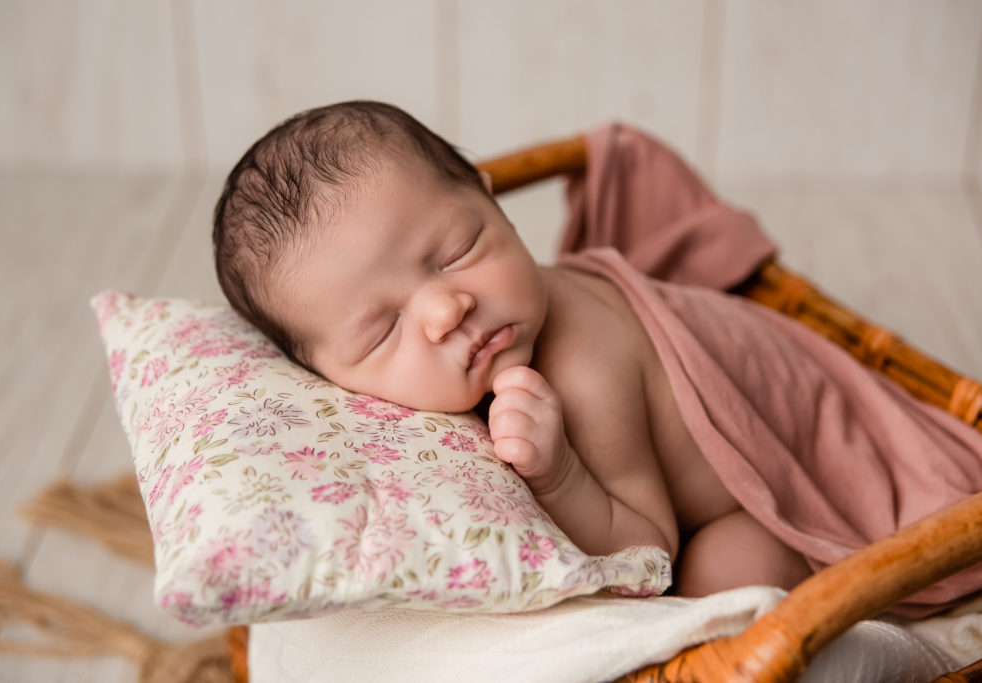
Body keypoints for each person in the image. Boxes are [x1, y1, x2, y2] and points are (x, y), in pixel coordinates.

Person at [212, 100, 813, 598]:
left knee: (725, 575)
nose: (447, 311)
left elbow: (652, 553)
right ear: (324, 375)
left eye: (456, 252)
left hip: (773, 478)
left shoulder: (583, 370)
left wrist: (562, 477)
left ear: (492, 202)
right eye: (383, 330)